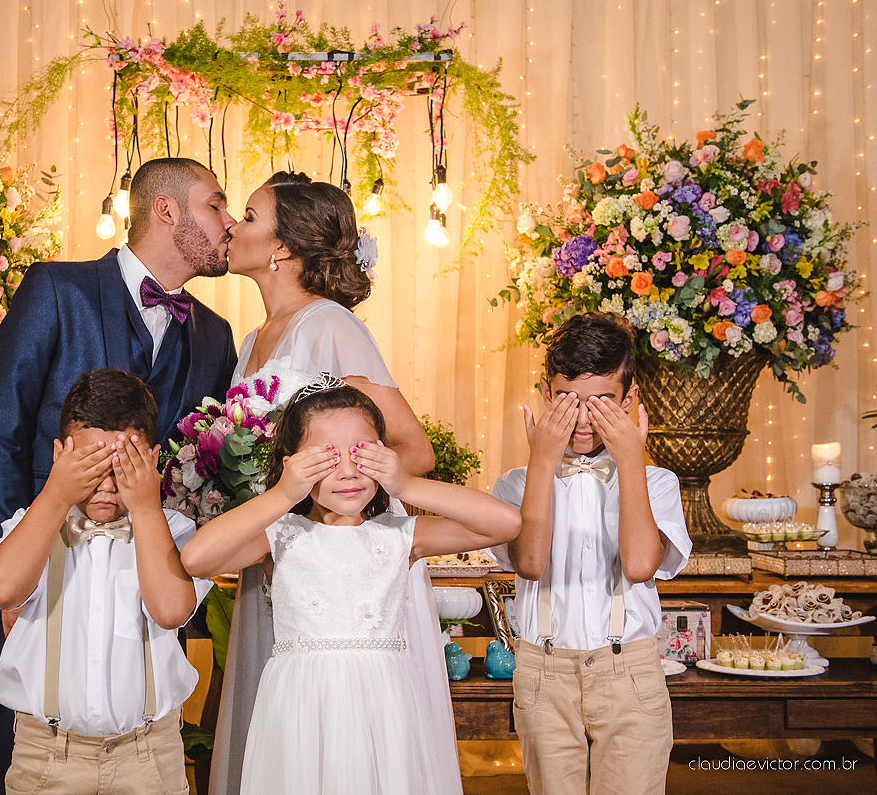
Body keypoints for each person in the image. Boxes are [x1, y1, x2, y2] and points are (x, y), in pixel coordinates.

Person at [0, 157, 238, 792]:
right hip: (41, 574)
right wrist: (13, 574)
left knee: (142, 734)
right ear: (168, 210)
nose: (230, 224)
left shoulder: (216, 337)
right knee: (37, 749)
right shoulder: (55, 290)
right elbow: (0, 431)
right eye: (216, 205)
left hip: (147, 583)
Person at [209, 174, 457, 795]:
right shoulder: (250, 341)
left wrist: (332, 482)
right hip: (282, 555)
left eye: (247, 214)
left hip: (340, 566)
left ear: (282, 247)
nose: (232, 226)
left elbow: (414, 449)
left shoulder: (331, 327)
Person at [181, 381, 520, 795]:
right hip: (302, 711)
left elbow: (506, 523)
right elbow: (197, 558)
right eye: (325, 458)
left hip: (385, 707)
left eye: (362, 455)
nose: (346, 471)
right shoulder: (280, 536)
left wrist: (407, 485)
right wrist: (283, 494)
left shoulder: (400, 536)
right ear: (292, 464)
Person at [0, 368, 210, 795]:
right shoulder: (34, 525)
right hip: (46, 757)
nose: (104, 483)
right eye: (87, 464)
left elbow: (171, 611)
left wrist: (146, 506)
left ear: (151, 460)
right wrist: (56, 494)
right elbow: (2, 589)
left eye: (121, 466)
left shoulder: (172, 531)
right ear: (60, 455)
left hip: (149, 757)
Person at [489, 313, 692, 795]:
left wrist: (630, 458)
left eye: (602, 401)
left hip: (631, 675)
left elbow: (642, 565)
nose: (583, 418)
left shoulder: (657, 482)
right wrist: (542, 460)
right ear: (545, 393)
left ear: (630, 398)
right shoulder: (516, 483)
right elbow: (530, 563)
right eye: (568, 400)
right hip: (543, 673)